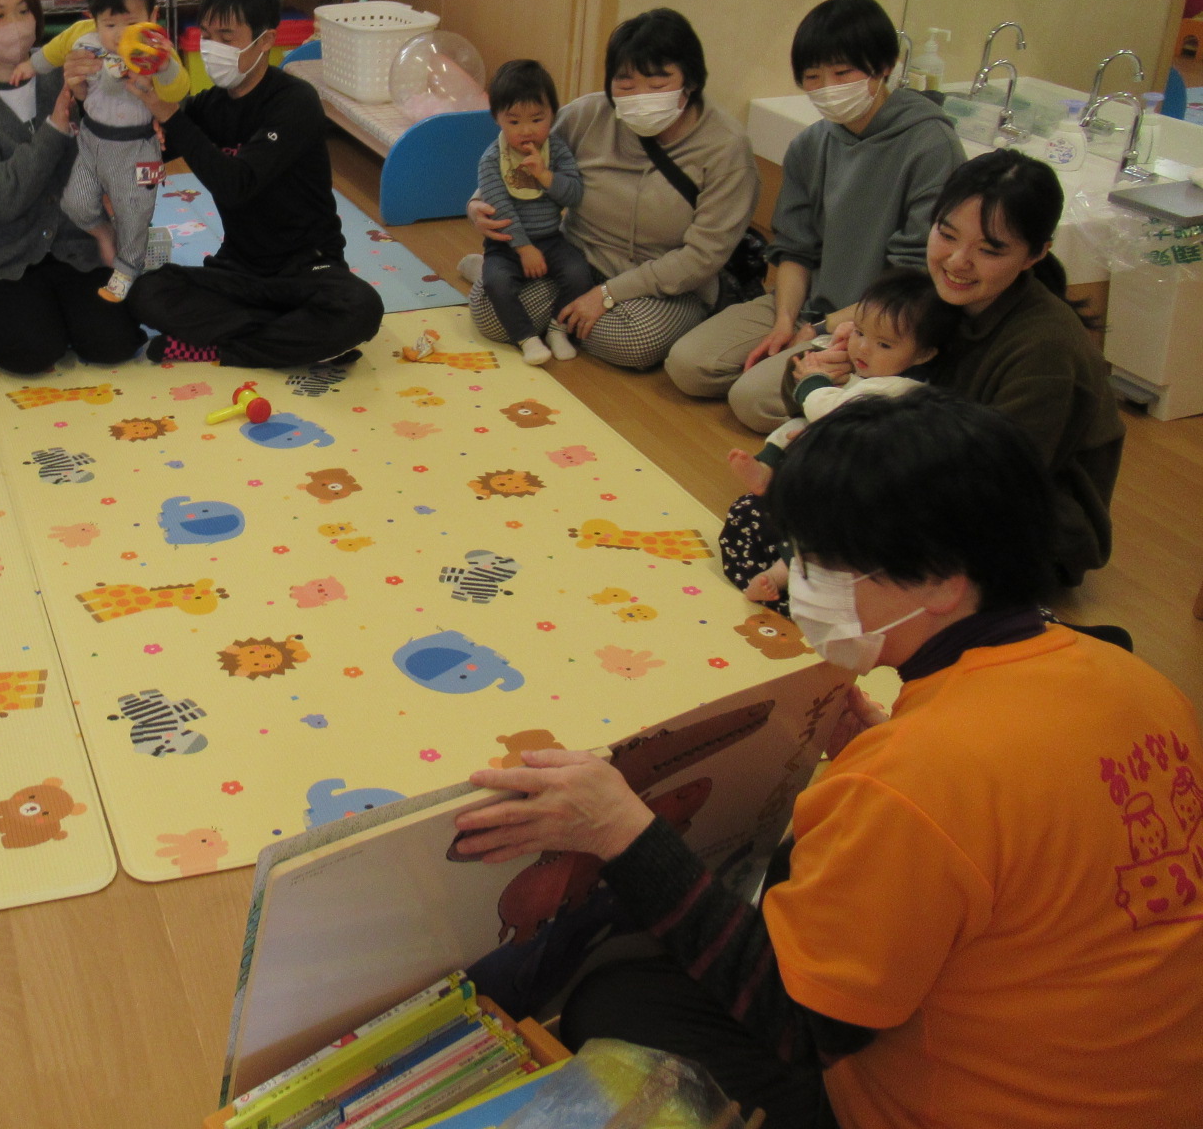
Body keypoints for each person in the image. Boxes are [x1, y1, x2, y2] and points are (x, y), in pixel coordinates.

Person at [453, 390, 1203, 1129]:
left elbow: (804, 1027)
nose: (801, 582)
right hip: (1150, 1086)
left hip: (964, 1105)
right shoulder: (1130, 678)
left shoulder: (916, 777)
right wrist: (888, 764)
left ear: (944, 580)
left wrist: (624, 832)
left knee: (613, 1003)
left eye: (824, 563)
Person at [664, 0, 964, 429]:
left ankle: (859, 397)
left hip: (879, 326)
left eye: (842, 73)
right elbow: (795, 247)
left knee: (751, 401)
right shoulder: (811, 144)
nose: (827, 88)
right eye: (812, 77)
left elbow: (916, 276)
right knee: (688, 365)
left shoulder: (930, 145)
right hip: (807, 303)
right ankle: (825, 388)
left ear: (884, 66)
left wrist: (821, 329)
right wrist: (786, 322)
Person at [462, 8, 755, 370]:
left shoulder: (726, 147)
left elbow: (702, 256)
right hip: (577, 258)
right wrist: (478, 205)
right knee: (489, 314)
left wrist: (608, 295)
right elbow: (515, 150)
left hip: (663, 281)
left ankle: (556, 319)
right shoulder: (587, 116)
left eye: (657, 86)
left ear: (690, 82)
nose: (639, 97)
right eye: (626, 85)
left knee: (635, 342)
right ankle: (557, 317)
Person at [125, 0, 384, 368]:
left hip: (306, 268)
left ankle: (222, 346)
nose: (213, 48)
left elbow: (237, 185)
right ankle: (289, 337)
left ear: (265, 41)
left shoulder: (295, 101)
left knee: (361, 308)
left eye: (226, 37)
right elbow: (146, 152)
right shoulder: (211, 105)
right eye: (207, 36)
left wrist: (170, 115)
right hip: (238, 269)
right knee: (147, 292)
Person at [916, 148, 1121, 585]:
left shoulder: (1045, 348)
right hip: (939, 486)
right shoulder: (941, 294)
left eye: (989, 249)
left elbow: (994, 485)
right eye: (946, 234)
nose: (957, 261)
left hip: (1027, 534)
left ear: (1035, 254)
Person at [0, 0, 144, 374]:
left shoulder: (62, 73)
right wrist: (55, 128)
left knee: (115, 342)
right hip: (3, 256)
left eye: (23, 10)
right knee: (29, 352)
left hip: (76, 245)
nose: (16, 25)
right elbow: (2, 198)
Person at [716, 266, 955, 607]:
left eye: (883, 344)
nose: (863, 349)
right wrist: (840, 340)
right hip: (826, 474)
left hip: (855, 494)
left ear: (924, 353)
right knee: (794, 430)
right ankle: (768, 472)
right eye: (860, 332)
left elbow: (831, 410)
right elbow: (830, 359)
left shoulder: (899, 389)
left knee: (815, 537)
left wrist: (812, 382)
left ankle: (780, 576)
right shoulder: (872, 369)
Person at [27, 0, 189, 302]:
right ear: (93, 19)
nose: (118, 35)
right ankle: (104, 233)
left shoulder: (155, 50)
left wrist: (162, 67)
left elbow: (179, 90)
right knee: (75, 202)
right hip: (92, 142)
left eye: (130, 23)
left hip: (136, 147)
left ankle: (128, 267)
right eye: (109, 24)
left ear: (152, 17)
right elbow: (55, 49)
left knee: (135, 213)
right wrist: (31, 66)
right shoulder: (84, 37)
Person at [471, 59, 586, 366]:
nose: (527, 131)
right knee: (496, 282)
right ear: (497, 119)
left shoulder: (556, 150)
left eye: (537, 119)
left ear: (553, 115)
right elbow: (499, 209)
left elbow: (575, 195)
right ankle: (526, 338)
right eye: (514, 122)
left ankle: (557, 329)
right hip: (507, 244)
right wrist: (524, 249)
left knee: (579, 272)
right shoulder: (492, 159)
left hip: (551, 238)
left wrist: (545, 176)